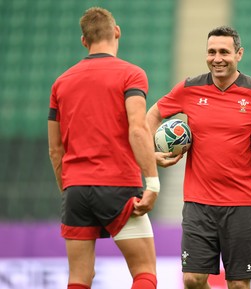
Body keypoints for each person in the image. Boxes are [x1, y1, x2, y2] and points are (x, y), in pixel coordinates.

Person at [146, 26, 251, 289]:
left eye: (224, 52)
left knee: (238, 285)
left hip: (242, 204)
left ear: (239, 54)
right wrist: (150, 152)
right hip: (198, 203)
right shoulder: (189, 88)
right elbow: (152, 115)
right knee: (192, 280)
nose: (217, 58)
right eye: (211, 52)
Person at [48, 7, 159, 289]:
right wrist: (153, 182)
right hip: (118, 185)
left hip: (76, 189)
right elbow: (137, 128)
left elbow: (55, 149)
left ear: (84, 41)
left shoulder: (61, 83)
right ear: (117, 31)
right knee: (144, 272)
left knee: (79, 279)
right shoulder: (131, 74)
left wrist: (70, 189)